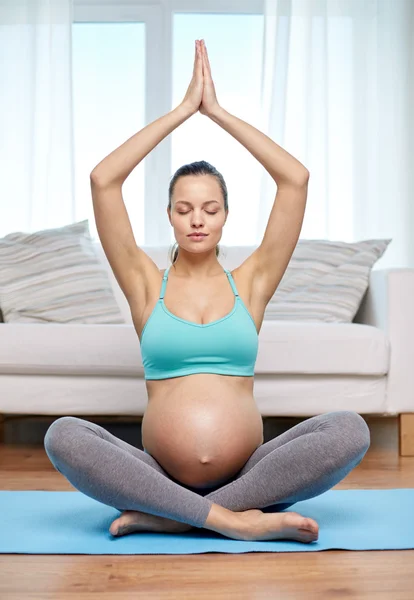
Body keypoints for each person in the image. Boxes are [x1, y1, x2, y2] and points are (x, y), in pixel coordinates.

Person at [44, 39, 370, 543]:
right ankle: (229, 519)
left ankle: (176, 515)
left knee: (351, 428)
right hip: (155, 473)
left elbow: (295, 180)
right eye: (183, 208)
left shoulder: (252, 282)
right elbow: (103, 180)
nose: (197, 219)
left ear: (224, 215)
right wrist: (181, 112)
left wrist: (215, 112)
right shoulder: (145, 283)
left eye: (210, 208)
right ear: (170, 215)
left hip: (250, 474)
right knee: (62, 434)